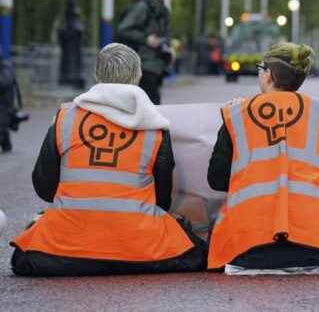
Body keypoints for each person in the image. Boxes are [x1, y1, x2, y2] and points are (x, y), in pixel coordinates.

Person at [10, 43, 206, 276]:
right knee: (198, 252)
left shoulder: (65, 118)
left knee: (22, 256)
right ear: (138, 76)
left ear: (97, 75)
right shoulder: (155, 126)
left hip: (67, 244)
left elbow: (44, 185)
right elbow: (162, 197)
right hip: (138, 244)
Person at [206, 43, 319, 270]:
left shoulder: (237, 115)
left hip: (248, 249)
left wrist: (229, 124)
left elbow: (217, 180)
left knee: (217, 222)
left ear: (268, 74)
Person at [116, 0, 172, 104]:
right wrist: (146, 39)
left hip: (158, 62)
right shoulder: (143, 7)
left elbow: (165, 33)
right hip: (143, 62)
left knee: (150, 100)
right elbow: (124, 29)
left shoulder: (163, 10)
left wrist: (167, 46)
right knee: (152, 101)